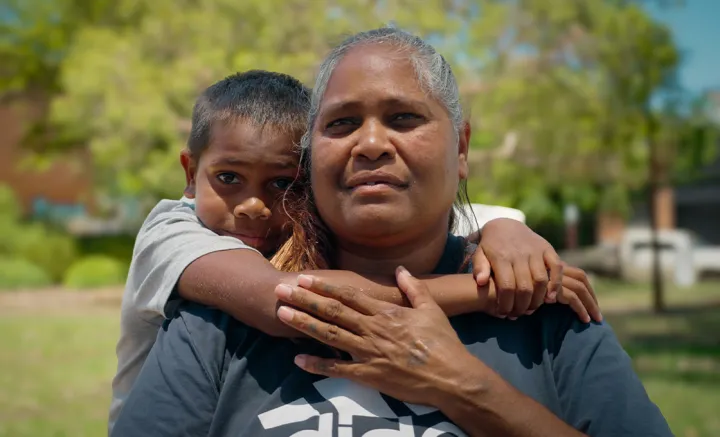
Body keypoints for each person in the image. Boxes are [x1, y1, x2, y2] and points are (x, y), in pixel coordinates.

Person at [111, 32, 629, 436]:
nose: (372, 144)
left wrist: (465, 386)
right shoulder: (212, 297)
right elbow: (288, 299)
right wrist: (484, 292)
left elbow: (466, 215)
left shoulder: (550, 308)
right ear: (314, 161)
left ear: (463, 147)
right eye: (341, 124)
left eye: (404, 118)